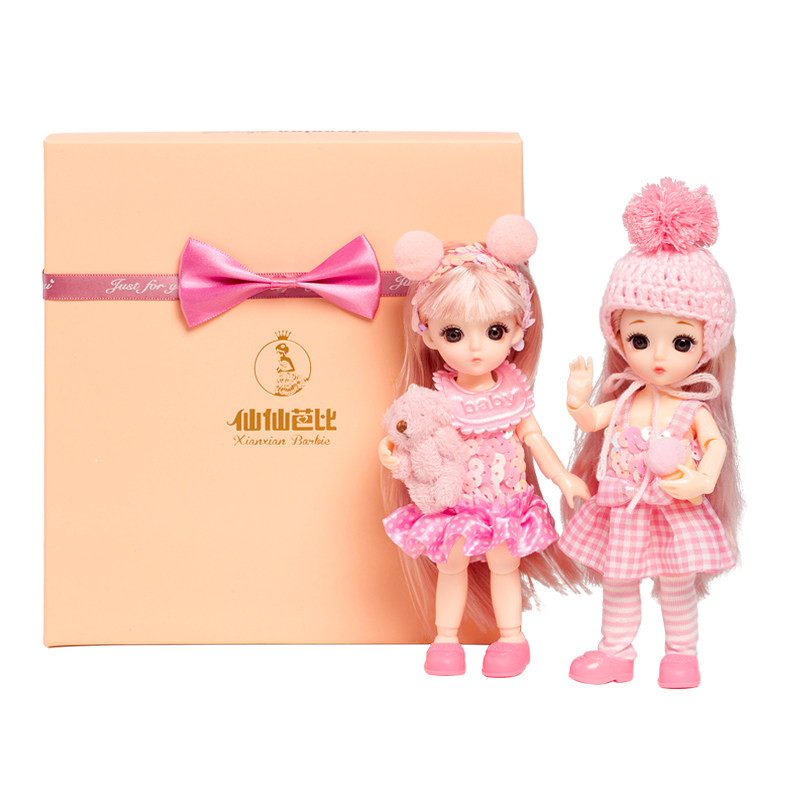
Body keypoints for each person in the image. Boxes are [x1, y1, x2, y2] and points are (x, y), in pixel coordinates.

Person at [379, 215, 588, 677]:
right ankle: (446, 639)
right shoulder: (438, 396)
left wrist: (561, 476)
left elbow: (532, 436)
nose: (475, 349)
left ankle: (511, 637)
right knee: (451, 564)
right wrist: (396, 456)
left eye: (494, 332)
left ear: (518, 329)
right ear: (429, 334)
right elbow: (421, 441)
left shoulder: (512, 392)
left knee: (503, 564)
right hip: (456, 502)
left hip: (505, 501)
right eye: (454, 334)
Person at [558, 179, 740, 689]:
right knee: (618, 583)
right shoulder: (626, 399)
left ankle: (681, 656)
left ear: (707, 343)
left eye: (681, 341)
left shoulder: (691, 406)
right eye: (640, 339)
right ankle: (615, 653)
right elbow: (593, 421)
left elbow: (716, 444)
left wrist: (702, 479)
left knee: (677, 586)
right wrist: (576, 399)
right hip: (624, 509)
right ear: (618, 337)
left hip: (675, 510)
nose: (659, 357)